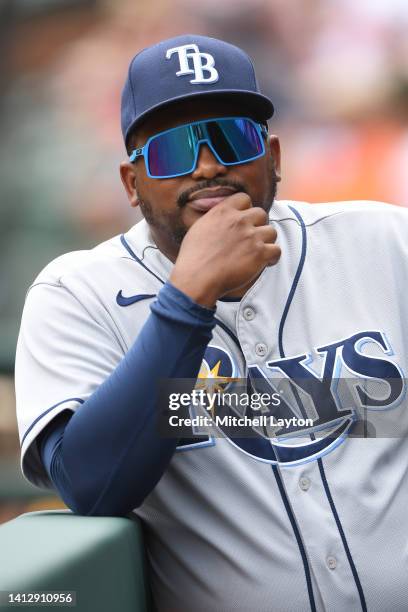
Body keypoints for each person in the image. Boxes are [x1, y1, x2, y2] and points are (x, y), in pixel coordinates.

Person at [15, 34, 408, 612]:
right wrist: (186, 300)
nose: (208, 164)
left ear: (273, 157)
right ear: (131, 182)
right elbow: (93, 485)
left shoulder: (383, 242)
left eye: (231, 137)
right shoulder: (76, 294)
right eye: (173, 150)